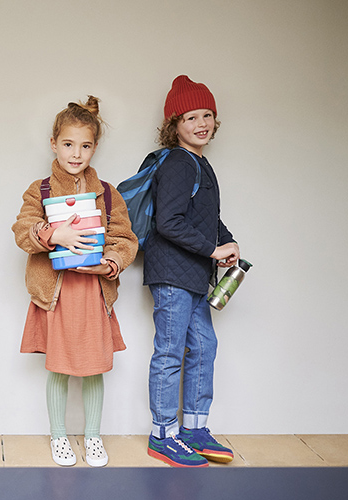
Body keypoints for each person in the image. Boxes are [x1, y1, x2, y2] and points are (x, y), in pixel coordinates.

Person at [12, 97, 138, 467]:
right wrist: (54, 234)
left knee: (94, 366)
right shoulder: (40, 190)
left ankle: (93, 436)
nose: (76, 153)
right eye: (68, 144)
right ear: (54, 144)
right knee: (60, 366)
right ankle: (59, 436)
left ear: (95, 147)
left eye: (85, 145)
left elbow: (125, 240)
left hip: (93, 294)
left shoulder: (109, 194)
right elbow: (22, 230)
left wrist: (110, 263)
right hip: (57, 294)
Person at [144, 75, 240, 467]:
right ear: (174, 125)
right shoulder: (178, 163)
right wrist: (213, 249)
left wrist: (227, 242)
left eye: (207, 115)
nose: (201, 123)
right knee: (169, 352)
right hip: (173, 274)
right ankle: (162, 435)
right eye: (190, 117)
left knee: (203, 347)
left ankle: (194, 429)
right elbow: (168, 222)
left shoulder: (199, 163)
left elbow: (206, 218)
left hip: (194, 273)